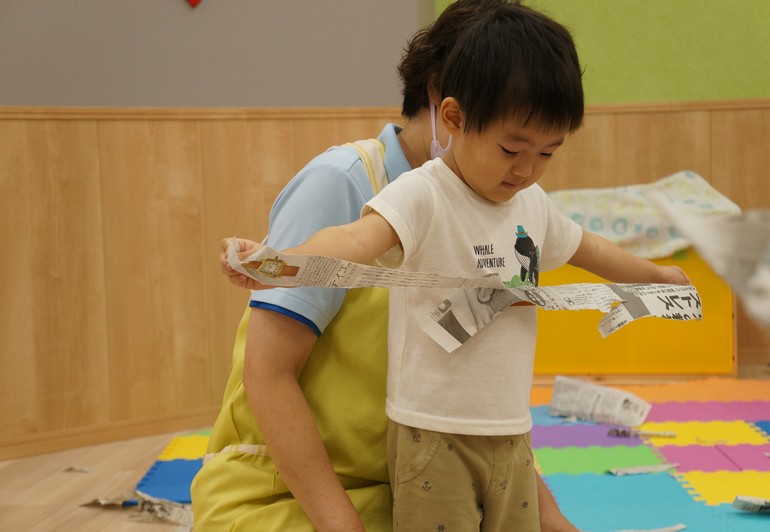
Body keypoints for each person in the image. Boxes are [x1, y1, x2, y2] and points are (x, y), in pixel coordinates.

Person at [224, 5, 690, 532]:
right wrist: (282, 264)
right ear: (450, 112)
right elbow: (349, 245)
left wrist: (654, 275)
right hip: (353, 470)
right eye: (511, 148)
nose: (526, 169)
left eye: (546, 154)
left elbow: (590, 248)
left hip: (495, 435)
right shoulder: (404, 191)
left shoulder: (524, 201)